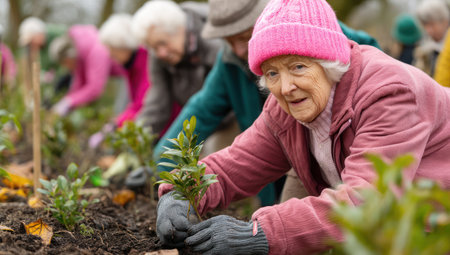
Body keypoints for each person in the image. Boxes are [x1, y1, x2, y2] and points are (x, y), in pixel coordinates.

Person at [155, 0, 450, 254]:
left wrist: (259, 233)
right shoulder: (286, 107)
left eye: (298, 66)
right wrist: (180, 191)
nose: (284, 87)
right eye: (272, 73)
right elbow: (239, 162)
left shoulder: (390, 93)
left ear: (328, 60)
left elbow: (368, 203)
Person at [152, 0, 381, 206]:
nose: (239, 49)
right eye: (228, 41)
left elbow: (367, 59)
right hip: (278, 148)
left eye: (244, 37)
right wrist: (162, 169)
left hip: (335, 149)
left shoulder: (311, 24)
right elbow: (202, 111)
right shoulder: (230, 60)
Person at [132, 0, 221, 137]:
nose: (160, 53)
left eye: (162, 43)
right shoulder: (158, 56)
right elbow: (157, 104)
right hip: (197, 121)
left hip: (228, 119)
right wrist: (136, 140)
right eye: (154, 47)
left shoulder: (212, 40)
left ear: (180, 29)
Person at [86, 14, 152, 149]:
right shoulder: (131, 65)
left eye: (112, 49)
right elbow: (134, 103)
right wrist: (116, 123)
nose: (110, 55)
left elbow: (143, 104)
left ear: (124, 45)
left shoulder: (145, 62)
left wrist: (116, 125)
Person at [49, 25, 125, 116]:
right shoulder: (80, 55)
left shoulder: (96, 51)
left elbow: (95, 88)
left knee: (122, 109)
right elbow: (79, 82)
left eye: (65, 63)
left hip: (125, 72)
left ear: (69, 57)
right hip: (120, 75)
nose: (66, 67)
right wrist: (68, 99)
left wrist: (70, 101)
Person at [18, 17, 67, 87]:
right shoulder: (40, 49)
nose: (31, 45)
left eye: (32, 41)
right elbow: (43, 68)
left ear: (38, 35)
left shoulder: (58, 34)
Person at [414, 0, 449, 75]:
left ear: (445, 21)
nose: (428, 30)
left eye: (432, 24)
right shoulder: (424, 50)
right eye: (425, 25)